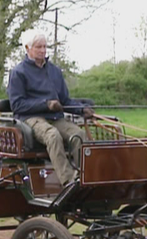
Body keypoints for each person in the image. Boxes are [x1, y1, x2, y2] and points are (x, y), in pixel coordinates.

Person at [6, 32, 92, 185]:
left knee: (78, 134)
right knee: (53, 135)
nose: (43, 50)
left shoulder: (55, 71)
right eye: (38, 47)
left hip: (55, 117)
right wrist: (46, 104)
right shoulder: (18, 72)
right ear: (27, 48)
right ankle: (68, 180)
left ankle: (84, 176)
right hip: (30, 119)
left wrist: (81, 109)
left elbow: (65, 100)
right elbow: (17, 105)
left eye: (45, 46)